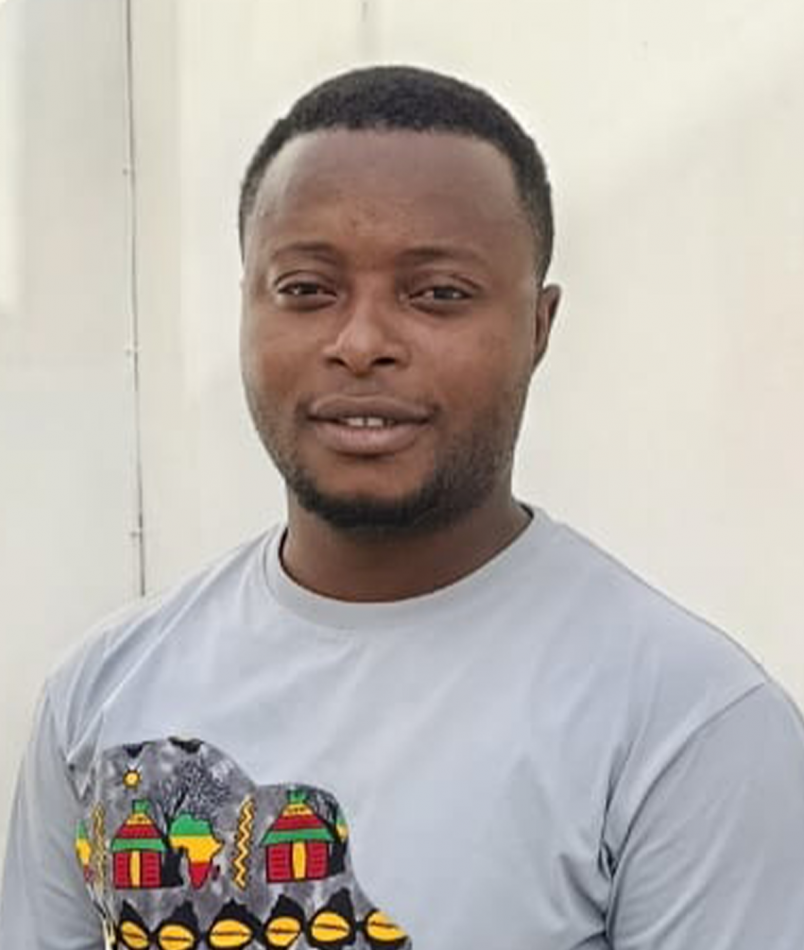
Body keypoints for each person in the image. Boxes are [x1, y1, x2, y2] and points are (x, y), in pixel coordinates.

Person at [1, 65, 803, 950]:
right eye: (307, 289)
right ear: (246, 309)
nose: (362, 343)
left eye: (439, 294)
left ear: (539, 328)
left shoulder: (688, 725)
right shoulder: (103, 695)